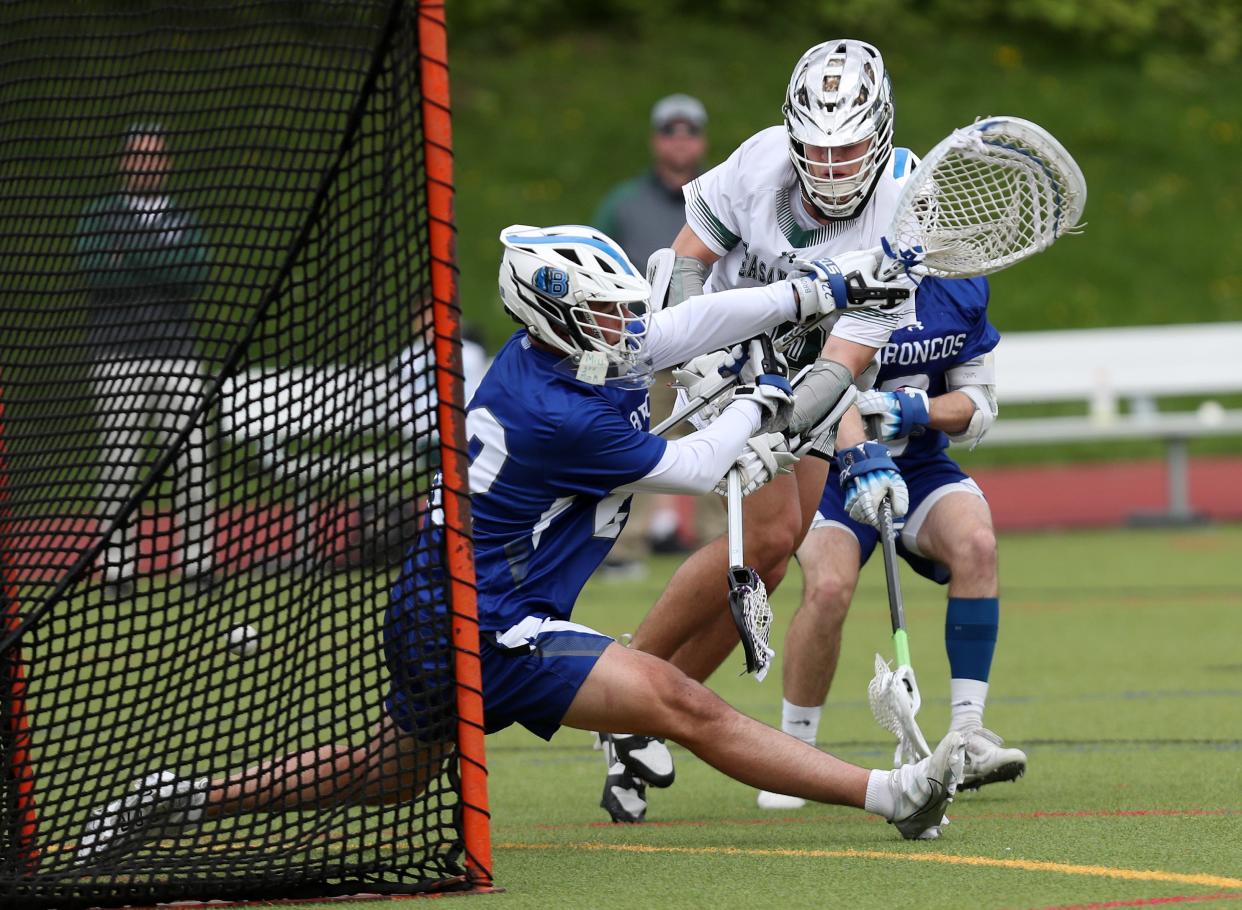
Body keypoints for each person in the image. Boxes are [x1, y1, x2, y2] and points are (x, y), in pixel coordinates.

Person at [74, 224, 965, 865]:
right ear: (561, 322)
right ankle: (892, 795)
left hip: (444, 597)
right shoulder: (556, 414)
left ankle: (175, 799)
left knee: (389, 773)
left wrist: (825, 291)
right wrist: (769, 398)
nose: (629, 326)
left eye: (623, 309)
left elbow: (685, 328)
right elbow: (697, 466)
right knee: (677, 703)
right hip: (482, 616)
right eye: (610, 314)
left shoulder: (561, 355)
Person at [600, 39, 926, 822]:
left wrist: (788, 422)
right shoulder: (758, 163)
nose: (833, 163)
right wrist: (691, 347)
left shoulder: (909, 205)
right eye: (817, 147)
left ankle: (647, 711)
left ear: (879, 134)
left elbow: (846, 356)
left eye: (848, 147)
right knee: (772, 528)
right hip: (725, 349)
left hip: (815, 371)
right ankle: (621, 684)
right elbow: (688, 256)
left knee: (774, 555)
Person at [756, 275, 1028, 810]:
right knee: (829, 586)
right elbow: (801, 389)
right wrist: (856, 428)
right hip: (829, 469)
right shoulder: (831, 278)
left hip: (920, 464)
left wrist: (914, 410)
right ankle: (793, 752)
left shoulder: (961, 289)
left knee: (977, 545)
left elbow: (978, 405)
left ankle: (968, 734)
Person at [74, 123, 214, 590]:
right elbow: (97, 272)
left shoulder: (183, 219)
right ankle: (117, 569)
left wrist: (131, 255)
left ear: (166, 163)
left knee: (193, 460)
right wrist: (160, 259)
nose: (147, 164)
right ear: (124, 161)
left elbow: (195, 271)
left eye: (155, 156)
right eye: (139, 155)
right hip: (116, 356)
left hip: (178, 353)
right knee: (119, 466)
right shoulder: (98, 215)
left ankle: (197, 564)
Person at [593, 93, 712, 568]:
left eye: (689, 133)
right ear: (655, 140)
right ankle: (623, 549)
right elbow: (595, 270)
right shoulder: (625, 204)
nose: (680, 143)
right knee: (634, 445)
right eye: (670, 132)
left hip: (711, 347)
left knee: (718, 443)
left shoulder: (720, 196)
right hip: (643, 348)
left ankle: (722, 547)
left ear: (701, 141)